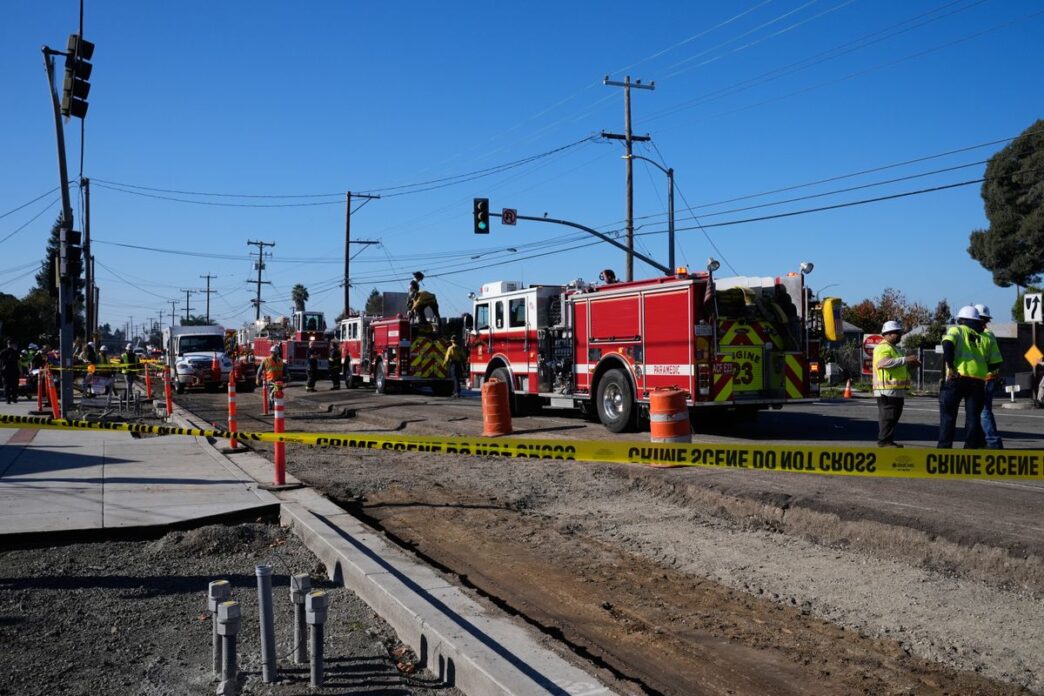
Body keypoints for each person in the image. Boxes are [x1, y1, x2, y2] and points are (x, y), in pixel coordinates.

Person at [938, 305, 989, 449]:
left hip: (958, 378)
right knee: (973, 417)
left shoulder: (957, 330)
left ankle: (944, 449)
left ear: (961, 320)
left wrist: (951, 366)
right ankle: (970, 449)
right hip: (977, 381)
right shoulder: (980, 337)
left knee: (948, 415)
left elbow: (947, 343)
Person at [872, 321, 919, 447]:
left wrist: (911, 365)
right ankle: (884, 441)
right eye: (896, 333)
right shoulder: (883, 347)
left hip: (896, 389)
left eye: (899, 333)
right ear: (887, 334)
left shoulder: (896, 349)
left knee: (893, 417)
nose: (899, 335)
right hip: (886, 389)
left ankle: (888, 440)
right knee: (888, 416)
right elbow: (883, 363)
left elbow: (899, 366)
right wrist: (905, 360)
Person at [974, 304, 1005, 449]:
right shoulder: (989, 334)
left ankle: (993, 442)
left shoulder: (982, 335)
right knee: (982, 411)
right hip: (988, 378)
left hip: (984, 378)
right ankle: (984, 441)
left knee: (983, 412)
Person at [1, 339, 21, 403]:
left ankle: (8, 399)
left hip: (5, 370)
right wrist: (21, 371)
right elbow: (18, 363)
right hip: (14, 370)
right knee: (15, 385)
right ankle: (14, 398)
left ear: (7, 344)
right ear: (12, 345)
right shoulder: (16, 352)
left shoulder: (2, 352)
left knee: (6, 385)